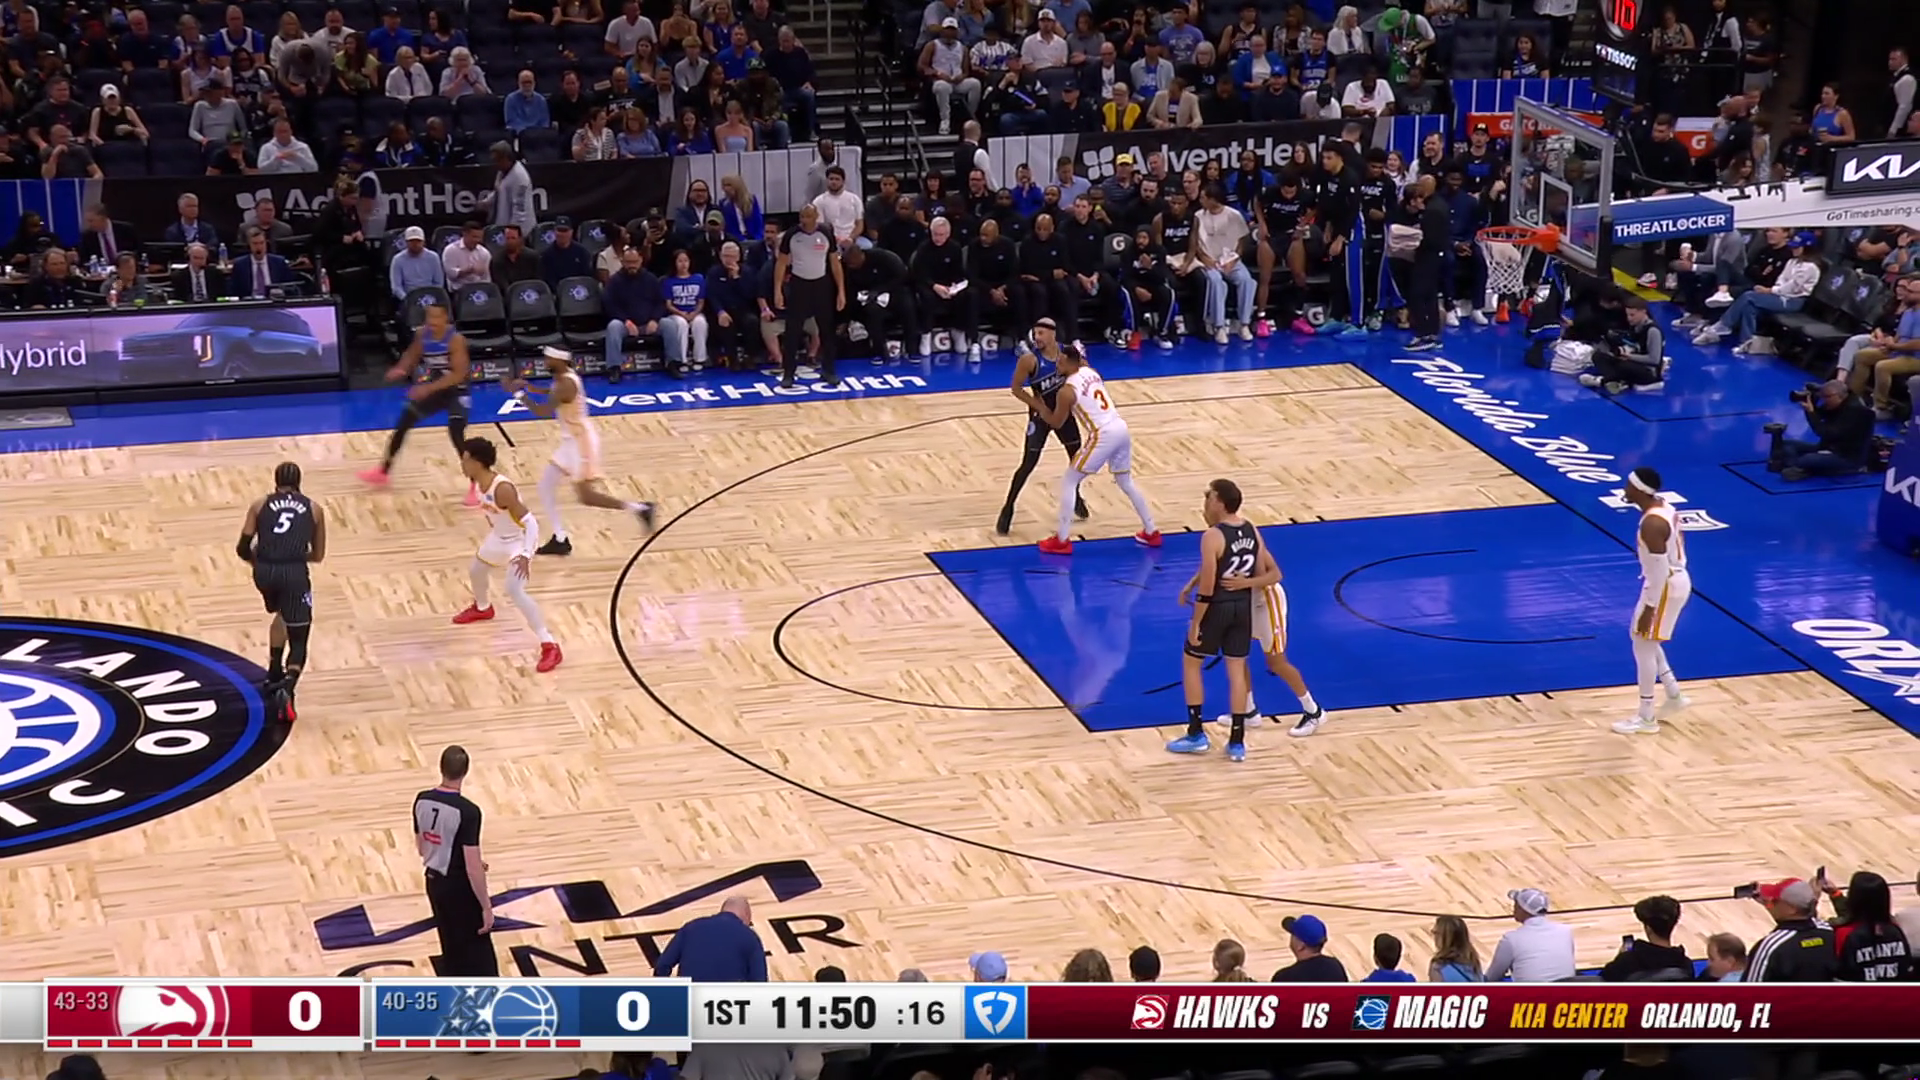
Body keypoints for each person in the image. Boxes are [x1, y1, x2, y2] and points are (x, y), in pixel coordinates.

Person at [502, 347, 655, 557]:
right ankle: (560, 539)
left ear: (560, 360)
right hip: (571, 442)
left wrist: (518, 394)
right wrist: (533, 388)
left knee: (586, 497)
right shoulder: (563, 377)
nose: (545, 362)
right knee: (545, 486)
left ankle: (640, 508)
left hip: (581, 443)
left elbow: (542, 411)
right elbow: (553, 392)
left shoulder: (566, 384)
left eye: (549, 358)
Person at [1165, 478, 1268, 761]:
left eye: (1208, 497)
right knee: (1236, 671)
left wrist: (1197, 621)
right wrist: (1243, 584)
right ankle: (1237, 742)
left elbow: (1209, 585)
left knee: (1191, 662)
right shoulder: (1251, 529)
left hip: (1217, 606)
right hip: (1242, 608)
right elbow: (1261, 573)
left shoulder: (1212, 535)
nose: (1205, 501)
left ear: (1219, 502)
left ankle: (1196, 734)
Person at [1033, 346, 1160, 560]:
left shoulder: (1066, 391)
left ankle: (1061, 540)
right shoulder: (1091, 371)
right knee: (1125, 481)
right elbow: (1082, 361)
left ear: (1071, 362)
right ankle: (1151, 531)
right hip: (1120, 427)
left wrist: (1040, 407)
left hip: (1103, 434)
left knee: (1069, 480)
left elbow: (1056, 422)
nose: (1057, 365)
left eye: (1061, 362)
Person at [455, 436, 562, 673]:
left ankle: (550, 645)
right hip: (499, 537)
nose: (461, 464)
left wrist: (525, 554)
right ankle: (483, 608)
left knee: (515, 591)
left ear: (477, 463)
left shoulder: (502, 489)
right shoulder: (478, 483)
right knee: (476, 571)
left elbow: (531, 523)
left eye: (465, 460)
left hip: (519, 542)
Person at [359, 303, 482, 506]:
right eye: (429, 317)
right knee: (404, 421)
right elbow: (412, 355)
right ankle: (383, 472)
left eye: (437, 318)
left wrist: (427, 388)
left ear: (445, 319)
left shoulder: (455, 340)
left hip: (457, 391)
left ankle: (475, 485)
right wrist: (401, 368)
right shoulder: (422, 335)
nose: (432, 322)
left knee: (456, 433)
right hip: (435, 389)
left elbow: (459, 375)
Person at [237, 461, 324, 723]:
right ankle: (288, 686)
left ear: (276, 481)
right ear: (299, 482)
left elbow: (242, 548)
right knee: (299, 638)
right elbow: (318, 555)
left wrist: (261, 563)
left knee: (282, 615)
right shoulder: (314, 509)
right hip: (294, 574)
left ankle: (274, 670)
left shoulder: (259, 504)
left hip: (264, 572)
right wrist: (293, 555)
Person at [1612, 466, 1691, 735]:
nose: (1624, 489)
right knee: (1643, 639)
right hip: (1669, 580)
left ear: (1638, 490)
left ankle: (1646, 717)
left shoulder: (1652, 524)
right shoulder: (1662, 506)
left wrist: (1650, 607)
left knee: (1643, 645)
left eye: (1628, 485)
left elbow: (1658, 573)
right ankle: (1673, 693)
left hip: (1665, 585)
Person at [998, 318, 1090, 535]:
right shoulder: (1029, 360)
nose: (1036, 338)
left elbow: (1086, 372)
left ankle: (1076, 495)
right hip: (1040, 417)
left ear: (1052, 334)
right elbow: (1016, 388)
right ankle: (1008, 507)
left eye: (1040, 333)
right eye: (1035, 334)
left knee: (1076, 460)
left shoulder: (1067, 354)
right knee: (1028, 464)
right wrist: (1039, 406)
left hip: (1063, 414)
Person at [413, 744, 498, 976]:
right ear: (466, 771)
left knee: (451, 950)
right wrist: (486, 907)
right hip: (459, 888)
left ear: (441, 768)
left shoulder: (421, 800)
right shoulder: (468, 811)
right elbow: (472, 868)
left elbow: (422, 847)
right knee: (480, 958)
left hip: (434, 883)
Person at [773, 202, 843, 388]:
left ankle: (829, 370)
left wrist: (841, 291)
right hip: (799, 284)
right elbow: (781, 263)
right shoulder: (791, 235)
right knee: (792, 331)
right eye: (802, 217)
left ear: (816, 216)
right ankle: (789, 373)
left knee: (827, 330)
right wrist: (778, 290)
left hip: (821, 284)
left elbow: (835, 263)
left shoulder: (826, 233)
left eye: (809, 216)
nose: (805, 220)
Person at [1763, 381, 1876, 481]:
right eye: (1822, 397)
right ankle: (1798, 467)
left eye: (1826, 397)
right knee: (1787, 445)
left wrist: (1811, 413)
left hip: (1847, 457)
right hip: (1826, 448)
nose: (1824, 400)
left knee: (1807, 459)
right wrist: (1812, 401)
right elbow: (1820, 415)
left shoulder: (1857, 411)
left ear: (1839, 395)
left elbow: (1825, 433)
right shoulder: (1837, 403)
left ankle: (1799, 466)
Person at [653, 896, 769, 981]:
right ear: (747, 916)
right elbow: (759, 982)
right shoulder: (750, 937)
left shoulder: (691, 927)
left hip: (689, 999)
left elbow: (662, 966)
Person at [1194, 183, 1254, 343]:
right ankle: (1219, 326)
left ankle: (1244, 324)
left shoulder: (1234, 215)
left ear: (1213, 200)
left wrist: (1234, 259)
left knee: (1246, 280)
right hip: (1209, 260)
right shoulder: (1198, 216)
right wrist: (1205, 259)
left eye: (1203, 197)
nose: (1200, 200)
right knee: (1216, 282)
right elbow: (1195, 243)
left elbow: (1242, 240)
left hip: (1230, 259)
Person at [1484, 887, 1576, 982]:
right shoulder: (1565, 931)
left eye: (1516, 905)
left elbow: (1492, 977)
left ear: (1522, 909)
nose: (1513, 908)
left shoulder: (1511, 939)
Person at [1602, 896, 1692, 981]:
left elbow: (1605, 979)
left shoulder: (1628, 961)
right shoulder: (1685, 964)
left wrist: (1619, 958)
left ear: (1648, 928)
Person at [661, 248, 711, 373]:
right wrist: (681, 314)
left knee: (700, 323)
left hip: (695, 311)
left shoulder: (698, 279)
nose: (683, 264)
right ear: (674, 263)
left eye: (686, 261)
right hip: (676, 313)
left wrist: (694, 313)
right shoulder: (668, 281)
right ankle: (681, 360)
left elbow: (701, 301)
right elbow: (668, 304)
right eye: (680, 261)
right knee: (681, 325)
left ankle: (700, 359)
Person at [229, 226, 294, 299]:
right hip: (250, 302)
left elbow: (290, 287)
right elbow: (233, 291)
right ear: (249, 245)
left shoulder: (279, 262)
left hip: (273, 301)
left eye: (262, 243)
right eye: (255, 243)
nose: (259, 247)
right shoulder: (240, 264)